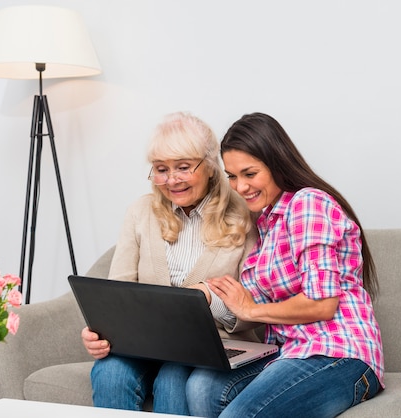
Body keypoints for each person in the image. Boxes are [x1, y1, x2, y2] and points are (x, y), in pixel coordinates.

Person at [186, 112, 384, 418]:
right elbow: (246, 302)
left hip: (339, 353)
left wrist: (251, 310)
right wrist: (205, 295)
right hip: (290, 352)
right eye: (232, 175)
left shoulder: (308, 204)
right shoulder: (266, 224)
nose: (240, 186)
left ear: (277, 163)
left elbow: (321, 305)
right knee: (202, 385)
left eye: (250, 174)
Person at [81, 112, 268, 415]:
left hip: (214, 345)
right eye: (161, 169)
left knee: (173, 376)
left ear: (209, 166)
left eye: (183, 167)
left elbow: (255, 311)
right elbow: (116, 293)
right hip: (144, 343)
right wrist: (98, 331)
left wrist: (206, 297)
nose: (171, 180)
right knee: (110, 371)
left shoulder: (244, 215)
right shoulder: (141, 212)